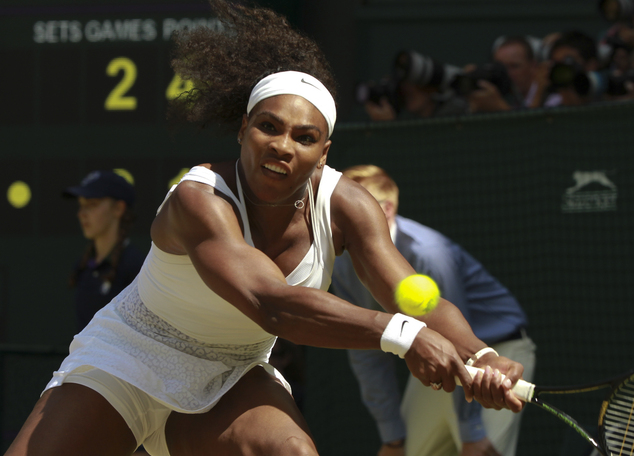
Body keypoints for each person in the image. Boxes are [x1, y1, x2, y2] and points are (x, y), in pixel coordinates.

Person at [6, 2, 526, 456]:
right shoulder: (198, 198)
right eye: (268, 127)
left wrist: (481, 355)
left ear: (324, 153)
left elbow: (411, 296)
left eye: (304, 137)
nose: (282, 145)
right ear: (243, 130)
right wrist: (402, 335)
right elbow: (270, 303)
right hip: (129, 358)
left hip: (233, 373)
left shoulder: (348, 204)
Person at [331, 165, 536, 456]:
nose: (336, 219)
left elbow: (457, 339)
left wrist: (473, 432)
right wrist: (393, 438)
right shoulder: (339, 261)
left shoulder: (429, 253)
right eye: (335, 208)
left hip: (497, 350)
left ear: (386, 210)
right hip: (436, 356)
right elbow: (365, 352)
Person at [62, 170, 146, 331]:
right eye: (81, 205)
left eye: (91, 204)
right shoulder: (82, 266)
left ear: (118, 209)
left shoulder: (135, 267)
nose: (82, 214)